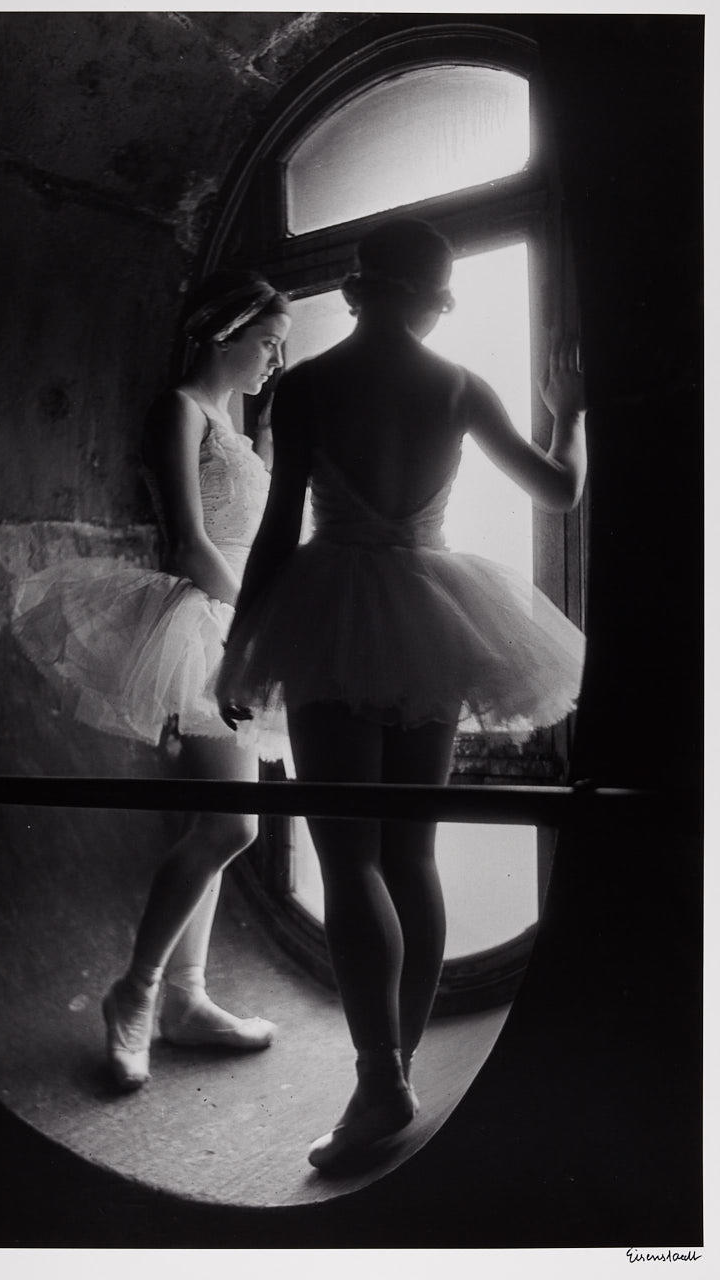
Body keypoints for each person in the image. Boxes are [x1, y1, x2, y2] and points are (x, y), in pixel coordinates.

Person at [217, 218, 587, 1171]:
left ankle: (380, 1079)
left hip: (329, 610)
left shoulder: (306, 386)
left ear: (355, 289)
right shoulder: (459, 386)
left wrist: (239, 648)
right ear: (437, 298)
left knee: (349, 861)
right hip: (431, 611)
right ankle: (397, 1069)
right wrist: (570, 416)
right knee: (411, 855)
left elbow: (275, 532)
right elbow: (558, 492)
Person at [13, 270, 291, 1090]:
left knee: (225, 822)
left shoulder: (235, 422)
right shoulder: (181, 408)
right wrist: (255, 631)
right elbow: (188, 544)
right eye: (267, 343)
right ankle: (136, 993)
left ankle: (185, 1000)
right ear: (226, 333)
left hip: (237, 616)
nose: (274, 361)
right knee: (232, 827)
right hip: (208, 619)